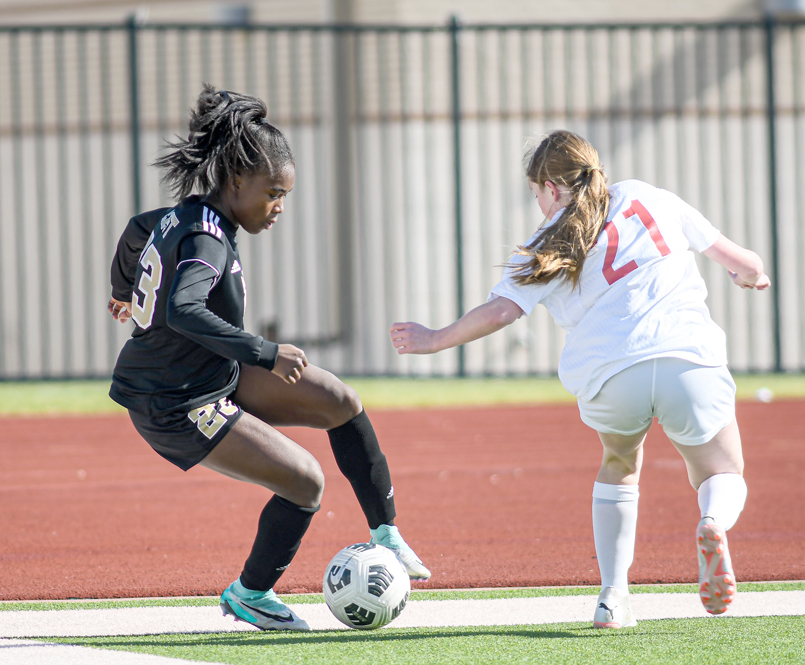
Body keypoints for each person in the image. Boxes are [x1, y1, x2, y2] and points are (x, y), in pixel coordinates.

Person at [390, 129, 770, 629]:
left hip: (610, 376)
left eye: (536, 196)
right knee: (722, 471)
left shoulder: (548, 240)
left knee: (619, 463)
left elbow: (501, 311)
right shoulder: (648, 197)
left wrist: (433, 338)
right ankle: (712, 522)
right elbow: (744, 262)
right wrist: (750, 276)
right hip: (687, 359)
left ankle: (613, 598)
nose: (539, 207)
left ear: (550, 188)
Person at [107, 85, 429, 632]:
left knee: (339, 400)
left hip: (210, 372)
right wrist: (265, 352)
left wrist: (122, 288)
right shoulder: (209, 238)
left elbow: (138, 229)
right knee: (305, 482)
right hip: (174, 400)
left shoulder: (184, 217)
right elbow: (184, 310)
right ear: (235, 182)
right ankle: (250, 594)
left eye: (284, 194)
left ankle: (387, 535)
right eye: (272, 193)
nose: (278, 207)